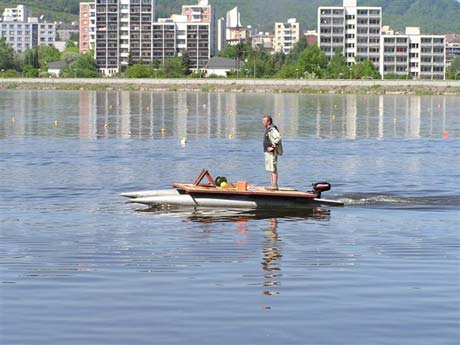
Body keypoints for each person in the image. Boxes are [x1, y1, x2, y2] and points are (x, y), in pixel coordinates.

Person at [262, 115, 282, 190]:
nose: (263, 122)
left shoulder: (272, 129)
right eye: (263, 121)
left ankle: (275, 185)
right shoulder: (268, 129)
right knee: (270, 168)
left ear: (269, 122)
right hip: (267, 152)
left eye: (264, 121)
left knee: (273, 168)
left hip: (272, 152)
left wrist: (273, 147)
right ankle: (272, 185)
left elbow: (278, 138)